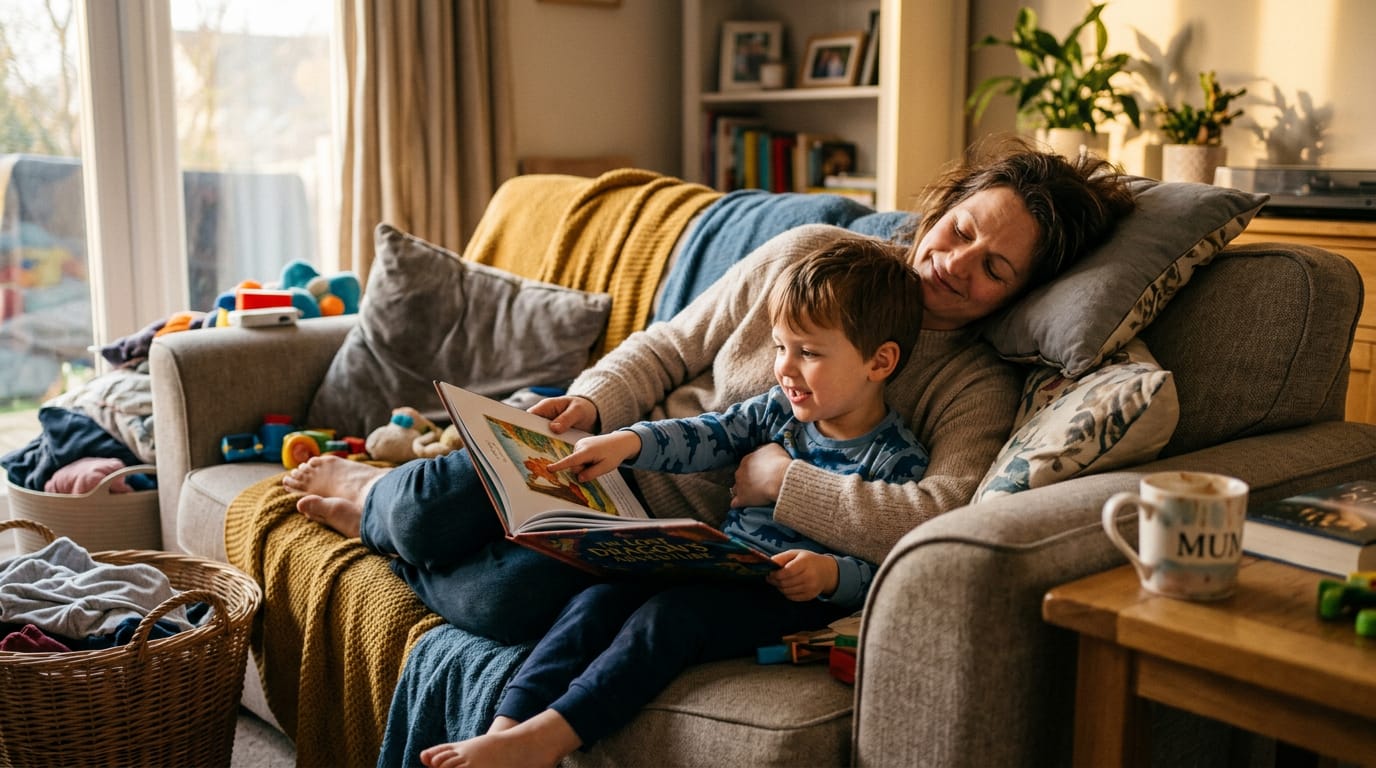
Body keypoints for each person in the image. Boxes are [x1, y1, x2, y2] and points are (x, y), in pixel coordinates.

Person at [282, 135, 1137, 647]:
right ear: (941, 208)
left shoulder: (971, 383)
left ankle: (382, 520)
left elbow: (943, 512)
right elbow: (668, 344)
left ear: (1020, 295)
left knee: (510, 603)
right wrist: (590, 403)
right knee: (434, 510)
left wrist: (782, 484)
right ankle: (373, 495)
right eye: (959, 232)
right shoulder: (810, 254)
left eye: (993, 268)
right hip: (607, 442)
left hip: (658, 534)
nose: (952, 265)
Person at [419, 236, 929, 768]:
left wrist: (831, 574)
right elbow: (706, 434)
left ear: (880, 361)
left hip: (789, 602)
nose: (785, 368)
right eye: (781, 347)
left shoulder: (895, 460)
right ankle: (506, 725)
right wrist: (627, 443)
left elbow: (896, 567)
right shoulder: (777, 409)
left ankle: (548, 739)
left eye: (810, 353)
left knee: (670, 618)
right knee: (599, 597)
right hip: (724, 567)